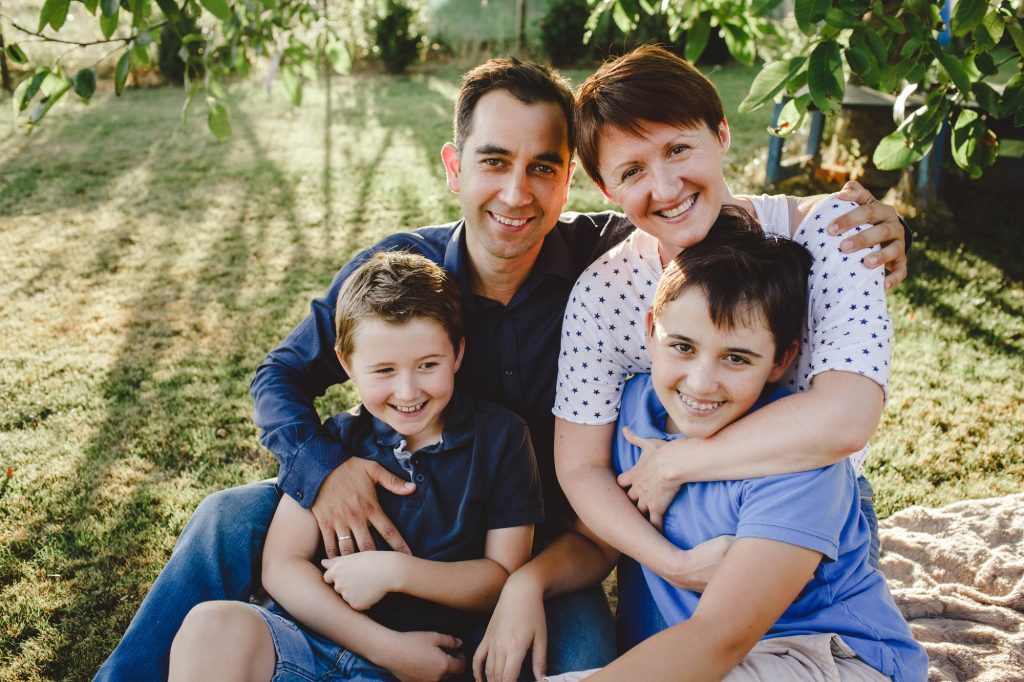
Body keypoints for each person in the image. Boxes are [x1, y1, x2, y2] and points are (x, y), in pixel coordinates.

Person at [95, 55, 909, 682]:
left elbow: (701, 221)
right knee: (230, 516)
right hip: (406, 500)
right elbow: (280, 375)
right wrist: (323, 467)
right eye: (493, 161)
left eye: (542, 167)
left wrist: (844, 221)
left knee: (579, 650)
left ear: (568, 180)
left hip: (547, 537)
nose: (516, 193)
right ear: (455, 165)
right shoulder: (402, 271)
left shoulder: (604, 259)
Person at [553, 47, 896, 606]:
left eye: (679, 149)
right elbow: (580, 466)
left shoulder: (836, 234)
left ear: (722, 134)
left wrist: (675, 463)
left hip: (811, 536)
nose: (665, 188)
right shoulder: (604, 291)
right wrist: (674, 564)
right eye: (633, 171)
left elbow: (847, 417)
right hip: (667, 550)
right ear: (605, 188)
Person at [543, 207, 928, 681]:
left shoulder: (798, 459)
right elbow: (596, 531)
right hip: (719, 653)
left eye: (737, 358)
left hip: (827, 655)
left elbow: (718, 636)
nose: (701, 383)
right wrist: (527, 583)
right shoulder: (635, 415)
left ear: (782, 359)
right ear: (650, 331)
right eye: (682, 346)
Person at [167, 252, 545, 681]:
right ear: (346, 364)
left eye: (428, 365)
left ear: (457, 353)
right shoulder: (338, 443)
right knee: (211, 626)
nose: (408, 390)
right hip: (317, 645)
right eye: (383, 370)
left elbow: (500, 577)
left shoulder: (502, 438)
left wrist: (398, 572)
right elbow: (282, 566)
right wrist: (385, 648)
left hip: (425, 663)